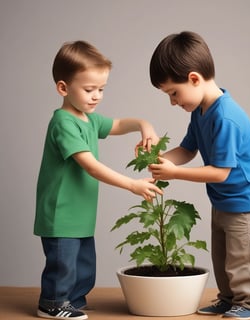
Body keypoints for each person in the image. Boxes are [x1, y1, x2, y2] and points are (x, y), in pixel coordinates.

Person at [34, 40, 162, 320]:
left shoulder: (88, 119)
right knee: (63, 264)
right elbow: (90, 166)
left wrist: (144, 124)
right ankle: (52, 303)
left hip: (80, 212)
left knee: (84, 265)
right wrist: (132, 184)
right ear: (63, 88)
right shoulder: (63, 123)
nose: (96, 96)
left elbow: (116, 124)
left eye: (101, 89)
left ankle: (73, 302)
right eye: (89, 89)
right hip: (61, 212)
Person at [148, 31, 250, 320]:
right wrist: (160, 159)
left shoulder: (225, 117)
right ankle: (229, 300)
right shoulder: (201, 111)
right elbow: (187, 149)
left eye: (173, 93)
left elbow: (219, 172)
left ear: (193, 78)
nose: (173, 102)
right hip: (224, 201)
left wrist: (174, 173)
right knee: (222, 258)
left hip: (247, 205)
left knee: (242, 261)